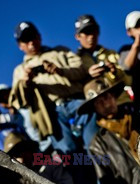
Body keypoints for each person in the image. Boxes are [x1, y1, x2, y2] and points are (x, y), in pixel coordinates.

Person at [9, 21, 93, 154]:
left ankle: (100, 165)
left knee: (93, 142)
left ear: (39, 36)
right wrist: (26, 82)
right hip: (52, 114)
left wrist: (61, 71)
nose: (31, 42)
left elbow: (82, 70)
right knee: (67, 154)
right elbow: (19, 101)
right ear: (20, 45)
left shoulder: (61, 51)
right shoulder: (19, 70)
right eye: (26, 40)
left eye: (33, 37)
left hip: (77, 102)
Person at [4, 132, 77, 184]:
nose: (21, 158)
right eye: (15, 155)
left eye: (22, 151)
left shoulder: (51, 165)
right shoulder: (17, 181)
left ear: (29, 149)